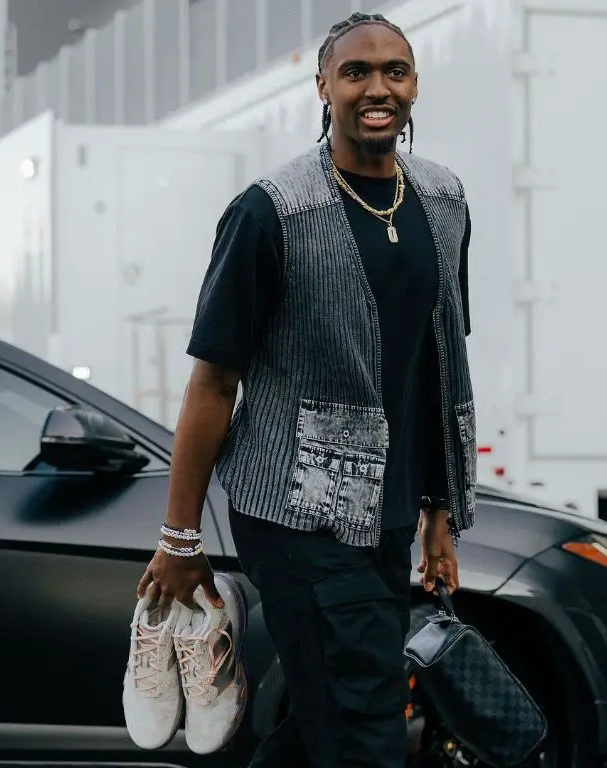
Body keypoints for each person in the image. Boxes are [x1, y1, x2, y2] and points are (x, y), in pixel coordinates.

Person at [136, 11, 477, 767]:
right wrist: (178, 537)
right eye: (356, 72)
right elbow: (214, 380)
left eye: (396, 69)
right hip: (294, 514)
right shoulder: (271, 212)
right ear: (323, 86)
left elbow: (436, 364)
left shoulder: (444, 202)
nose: (377, 87)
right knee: (366, 725)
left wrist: (438, 513)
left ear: (415, 84)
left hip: (384, 517)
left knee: (327, 712)